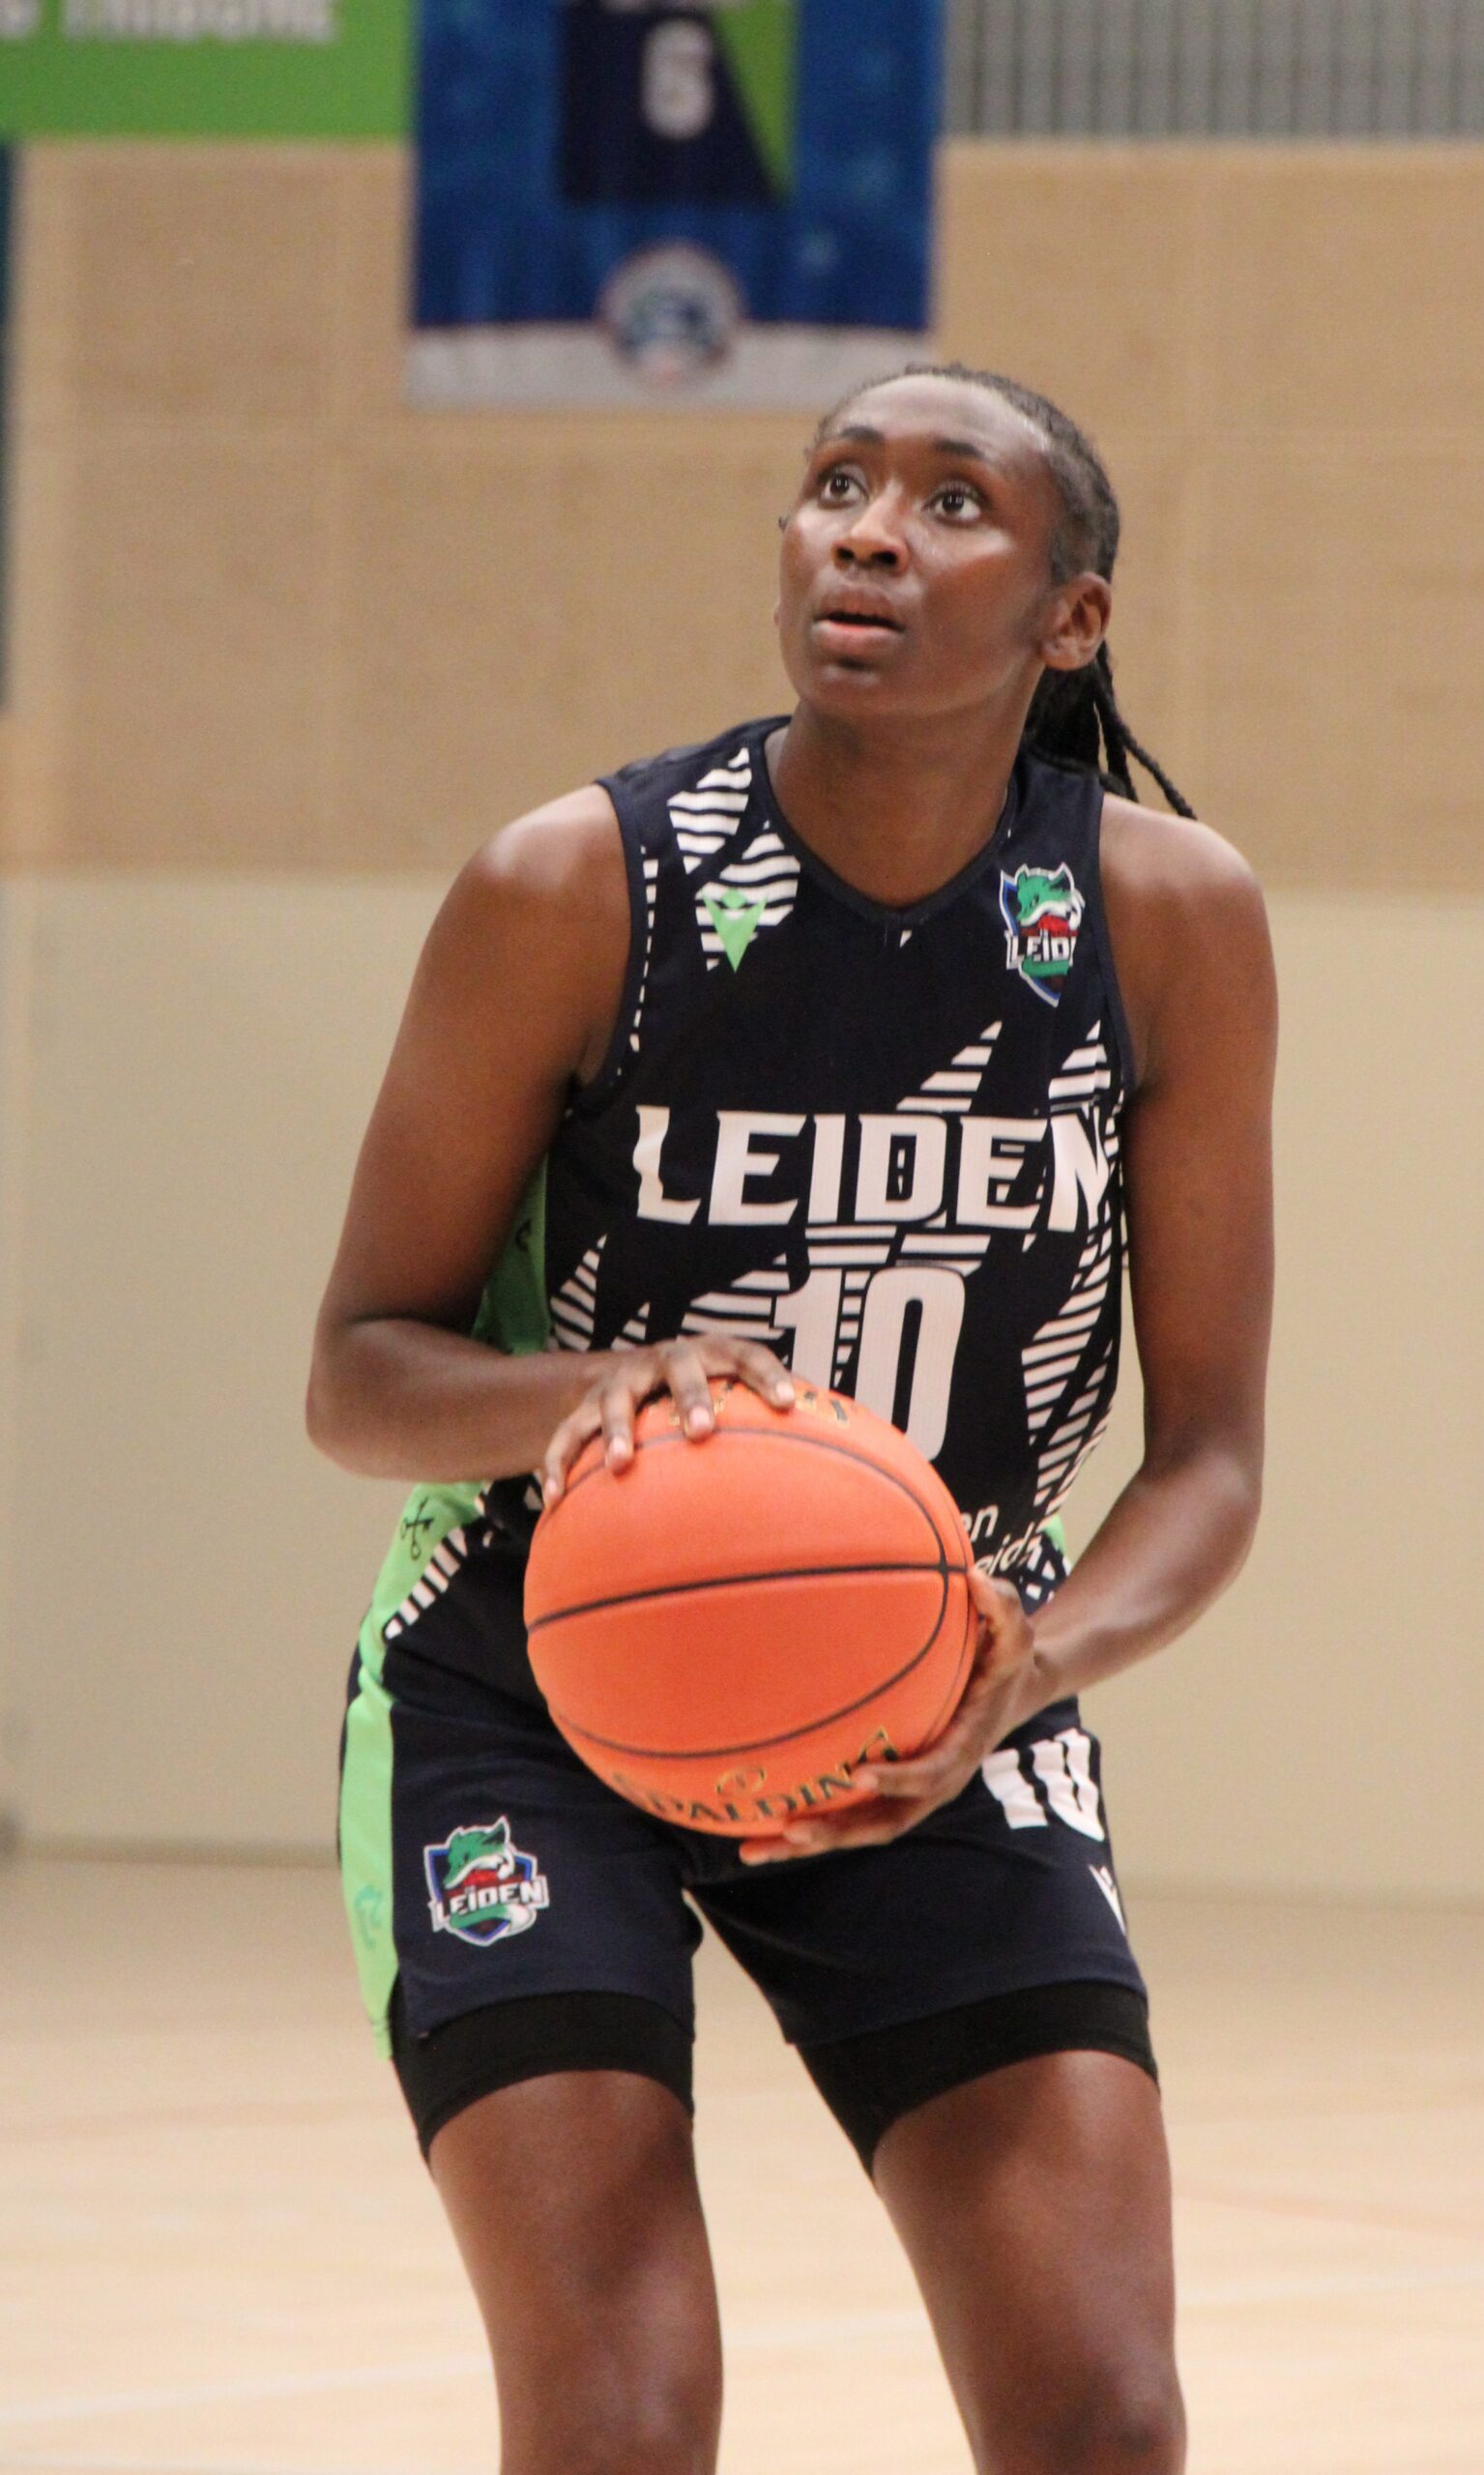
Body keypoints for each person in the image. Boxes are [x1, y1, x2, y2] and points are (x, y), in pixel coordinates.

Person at [309, 363, 1275, 2475]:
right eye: (835, 485)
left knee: (1103, 2419)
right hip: (532, 1683)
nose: (868, 530)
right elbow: (360, 1368)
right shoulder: (580, 884)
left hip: (936, 1684)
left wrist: (1037, 1659)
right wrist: (589, 1389)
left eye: (949, 503)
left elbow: (1209, 1456)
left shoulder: (1163, 916)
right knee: (622, 2423)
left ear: (1072, 617)